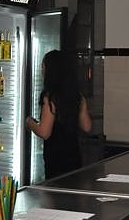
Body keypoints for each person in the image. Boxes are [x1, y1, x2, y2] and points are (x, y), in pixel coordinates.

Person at [26, 50, 92, 180]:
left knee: (56, 191)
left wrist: (29, 122)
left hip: (56, 159)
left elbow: (44, 132)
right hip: (74, 157)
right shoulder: (77, 96)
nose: (41, 70)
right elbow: (87, 126)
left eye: (43, 67)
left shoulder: (50, 98)